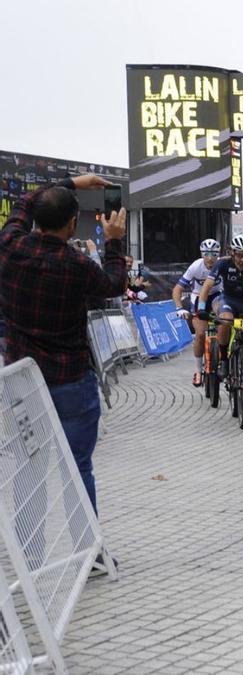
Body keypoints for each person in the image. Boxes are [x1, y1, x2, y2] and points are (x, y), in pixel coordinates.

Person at [0, 174, 128, 516]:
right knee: (77, 467)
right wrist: (114, 241)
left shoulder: (10, 246)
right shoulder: (78, 266)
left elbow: (24, 203)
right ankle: (90, 555)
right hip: (70, 381)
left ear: (36, 221)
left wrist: (69, 183)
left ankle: (32, 556)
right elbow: (114, 284)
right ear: (73, 224)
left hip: (20, 379)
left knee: (29, 467)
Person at [196, 234, 243, 406]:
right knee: (225, 320)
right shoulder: (222, 263)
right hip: (227, 300)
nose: (242, 259)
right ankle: (224, 360)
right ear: (232, 252)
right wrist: (200, 308)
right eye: (239, 255)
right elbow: (206, 286)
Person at [173, 239, 224, 386]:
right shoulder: (196, 266)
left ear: (218, 255)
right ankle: (197, 370)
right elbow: (177, 289)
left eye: (214, 254)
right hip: (197, 297)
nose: (210, 258)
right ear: (202, 254)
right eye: (206, 254)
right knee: (200, 334)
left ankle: (223, 358)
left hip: (216, 296)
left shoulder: (221, 265)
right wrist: (179, 308)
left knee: (224, 320)